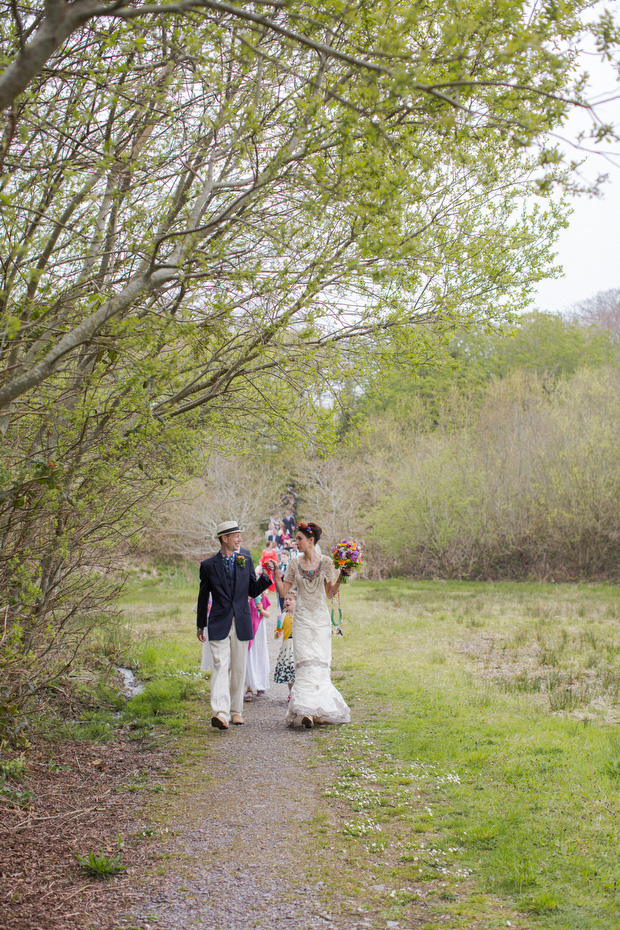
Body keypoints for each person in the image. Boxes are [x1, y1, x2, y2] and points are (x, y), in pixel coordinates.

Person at [269, 520, 350, 729]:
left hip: (321, 619)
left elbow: (330, 592)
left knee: (320, 662)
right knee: (304, 661)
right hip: (303, 618)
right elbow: (283, 592)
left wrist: (341, 576)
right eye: (296, 539)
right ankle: (305, 710)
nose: (295, 542)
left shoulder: (326, 562)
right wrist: (277, 572)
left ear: (311, 540)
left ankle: (319, 709)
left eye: (299, 539)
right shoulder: (295, 563)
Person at [196, 521, 272, 730]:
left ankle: (236, 711)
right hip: (218, 622)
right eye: (236, 536)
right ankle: (220, 713)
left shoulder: (245, 561)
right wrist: (200, 625)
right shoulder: (208, 566)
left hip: (242, 621)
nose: (240, 539)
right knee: (221, 666)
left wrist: (266, 578)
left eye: (240, 536)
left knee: (238, 669)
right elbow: (203, 597)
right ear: (224, 538)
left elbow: (253, 589)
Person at [245, 586, 271, 701]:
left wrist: (261, 609)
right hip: (248, 628)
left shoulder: (262, 597)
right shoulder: (245, 597)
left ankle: (260, 683)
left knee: (259, 655)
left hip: (259, 630)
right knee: (249, 657)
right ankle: (249, 688)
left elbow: (268, 614)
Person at [273, 592, 296, 700]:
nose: (287, 601)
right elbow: (278, 631)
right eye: (286, 599)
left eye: (290, 599)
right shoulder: (282, 617)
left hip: (297, 645)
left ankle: (298, 691)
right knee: (289, 668)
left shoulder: (299, 616)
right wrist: (277, 634)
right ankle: (291, 692)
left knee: (297, 668)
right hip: (287, 645)